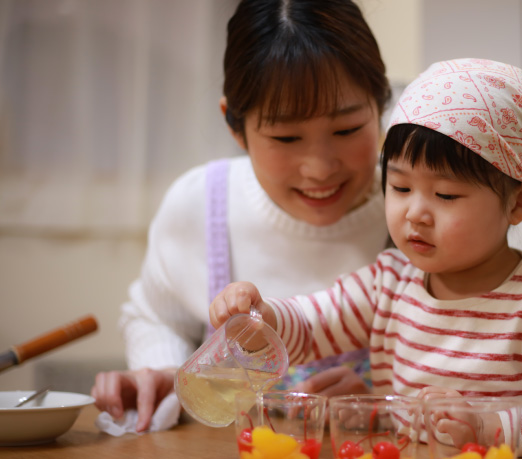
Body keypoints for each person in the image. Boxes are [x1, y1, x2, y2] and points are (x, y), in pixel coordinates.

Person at [209, 58, 522, 456]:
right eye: (401, 188)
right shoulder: (390, 282)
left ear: (519, 203)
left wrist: (489, 428)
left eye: (445, 195)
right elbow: (317, 321)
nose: (415, 214)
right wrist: (263, 315)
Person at [91, 0, 392, 432]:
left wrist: (388, 400)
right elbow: (154, 315)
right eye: (286, 137)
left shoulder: (416, 213)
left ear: (380, 106)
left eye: (346, 130)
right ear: (235, 127)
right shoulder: (201, 204)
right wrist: (163, 369)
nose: (320, 168)